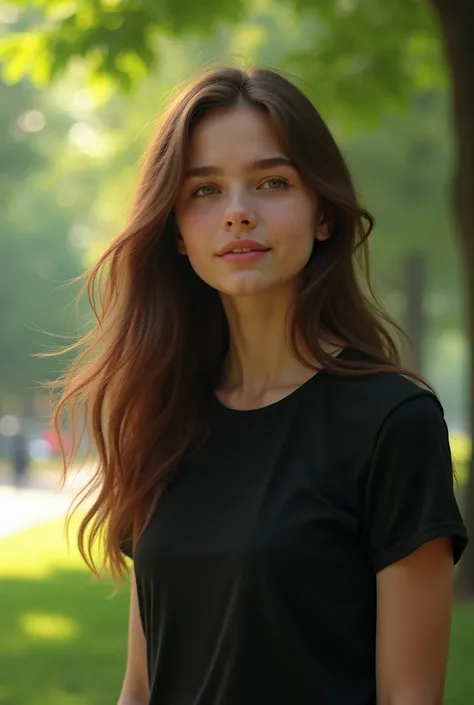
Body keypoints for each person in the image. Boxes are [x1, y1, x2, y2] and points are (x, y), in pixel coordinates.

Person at [53, 67, 468, 705]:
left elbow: (410, 697)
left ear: (323, 214)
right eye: (205, 190)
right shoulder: (163, 418)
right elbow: (140, 685)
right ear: (178, 234)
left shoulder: (392, 422)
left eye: (273, 182)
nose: (239, 213)